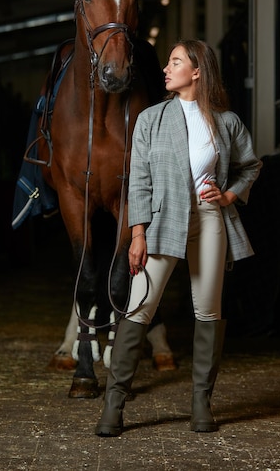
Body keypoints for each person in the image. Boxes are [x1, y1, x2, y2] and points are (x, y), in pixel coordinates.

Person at [95, 39, 262, 437]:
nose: (166, 69)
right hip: (161, 219)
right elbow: (138, 181)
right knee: (139, 309)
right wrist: (137, 234)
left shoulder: (226, 122)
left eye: (175, 62)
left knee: (208, 312)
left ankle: (201, 403)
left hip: (209, 218)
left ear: (197, 71)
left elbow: (250, 165)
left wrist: (229, 195)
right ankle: (114, 405)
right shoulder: (150, 120)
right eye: (168, 63)